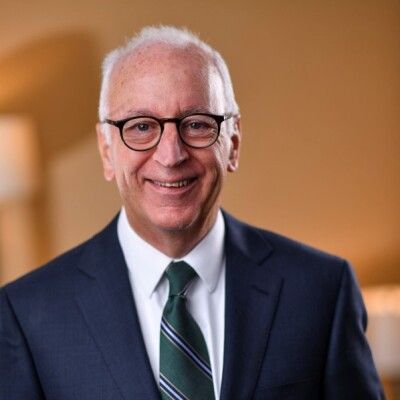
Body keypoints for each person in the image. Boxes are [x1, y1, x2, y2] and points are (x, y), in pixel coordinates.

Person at [0, 25, 384, 400]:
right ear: (106, 151)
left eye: (197, 124)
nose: (171, 155)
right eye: (141, 126)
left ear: (232, 143)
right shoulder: (27, 316)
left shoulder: (320, 290)